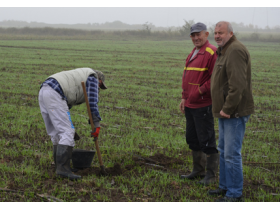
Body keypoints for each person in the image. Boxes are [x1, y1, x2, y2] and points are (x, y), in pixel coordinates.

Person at [208, 21, 254, 202]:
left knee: (232, 153)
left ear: (230, 33)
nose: (217, 35)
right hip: (224, 111)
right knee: (224, 150)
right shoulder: (224, 50)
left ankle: (235, 194)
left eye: (221, 32)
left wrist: (227, 109)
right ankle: (225, 187)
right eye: (215, 32)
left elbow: (238, 85)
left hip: (233, 112)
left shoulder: (234, 50)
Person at [38, 68, 107, 180]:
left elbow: (65, 106)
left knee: (56, 132)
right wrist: (96, 124)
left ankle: (59, 166)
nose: (99, 88)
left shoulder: (81, 76)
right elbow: (92, 103)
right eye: (100, 85)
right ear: (99, 80)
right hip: (54, 92)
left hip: (44, 90)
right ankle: (63, 169)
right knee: (67, 132)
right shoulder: (93, 78)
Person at [179, 22, 219, 185]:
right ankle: (197, 170)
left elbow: (215, 80)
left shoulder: (212, 52)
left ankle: (210, 175)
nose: (196, 38)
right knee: (192, 138)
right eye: (193, 35)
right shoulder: (193, 53)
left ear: (206, 34)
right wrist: (184, 97)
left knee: (207, 139)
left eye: (199, 34)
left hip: (203, 104)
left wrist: (199, 92)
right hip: (190, 104)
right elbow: (187, 78)